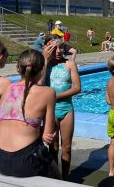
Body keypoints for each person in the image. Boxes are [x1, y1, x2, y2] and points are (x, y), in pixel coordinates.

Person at [0, 49, 58, 178]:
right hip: (26, 161)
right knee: (56, 173)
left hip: (1, 159)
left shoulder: (7, 89)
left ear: (18, 68)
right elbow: (48, 135)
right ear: (42, 71)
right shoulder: (48, 92)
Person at [43, 35, 81, 180]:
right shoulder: (42, 65)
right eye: (54, 47)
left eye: (61, 47)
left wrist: (55, 97)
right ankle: (55, 178)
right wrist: (45, 60)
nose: (59, 51)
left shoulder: (70, 64)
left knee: (66, 147)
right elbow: (37, 85)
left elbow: (77, 87)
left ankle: (65, 179)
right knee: (53, 149)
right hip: (49, 112)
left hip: (66, 110)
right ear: (46, 47)